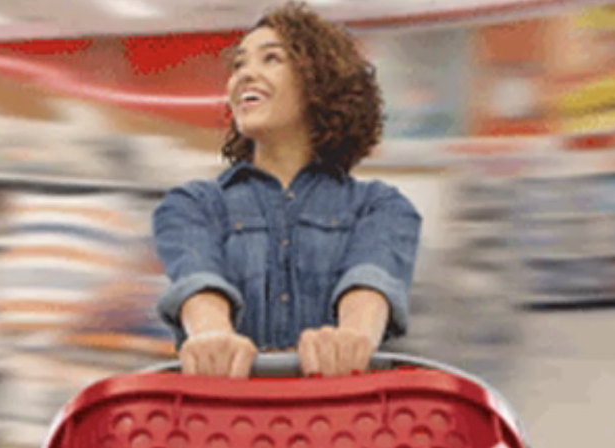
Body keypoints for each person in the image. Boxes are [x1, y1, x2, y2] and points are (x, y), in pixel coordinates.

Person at [152, 1, 422, 378]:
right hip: (224, 423)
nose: (245, 75)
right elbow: (198, 283)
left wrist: (352, 337)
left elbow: (370, 282)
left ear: (319, 80)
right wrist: (212, 336)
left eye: (271, 59)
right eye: (239, 65)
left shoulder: (380, 208)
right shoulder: (192, 205)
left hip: (342, 424)